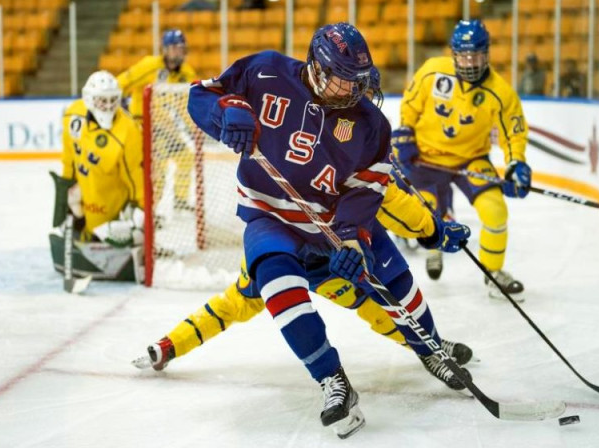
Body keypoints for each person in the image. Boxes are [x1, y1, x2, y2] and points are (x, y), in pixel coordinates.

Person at [186, 23, 473, 438]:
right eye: (343, 79)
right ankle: (331, 379)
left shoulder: (370, 124)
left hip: (334, 220)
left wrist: (353, 237)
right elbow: (202, 93)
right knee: (274, 280)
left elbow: (366, 189)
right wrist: (225, 110)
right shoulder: (265, 70)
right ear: (317, 68)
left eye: (359, 80)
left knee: (394, 281)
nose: (354, 89)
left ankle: (430, 347)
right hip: (272, 215)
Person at [131, 181, 475, 372]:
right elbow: (224, 309)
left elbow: (386, 195)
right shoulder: (261, 258)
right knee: (367, 303)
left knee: (375, 302)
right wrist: (170, 345)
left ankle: (428, 345)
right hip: (304, 263)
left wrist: (433, 229)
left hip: (337, 249)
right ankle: (426, 346)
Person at [392, 19, 531, 300]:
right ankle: (434, 250)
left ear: (487, 54)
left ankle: (493, 272)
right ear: (453, 54)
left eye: (476, 55)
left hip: (471, 160)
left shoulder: (500, 92)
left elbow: (513, 132)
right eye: (463, 55)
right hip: (425, 159)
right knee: (428, 215)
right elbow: (410, 104)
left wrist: (516, 163)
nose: (469, 62)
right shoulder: (433, 72)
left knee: (495, 211)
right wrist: (405, 130)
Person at [48, 70, 145, 281]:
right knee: (77, 232)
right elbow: (69, 157)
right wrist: (67, 188)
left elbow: (136, 176)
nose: (109, 106)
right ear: (90, 99)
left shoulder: (129, 130)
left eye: (113, 100)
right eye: (103, 101)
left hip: (110, 203)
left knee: (106, 239)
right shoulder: (72, 116)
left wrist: (141, 206)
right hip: (82, 194)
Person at [116, 29, 198, 211]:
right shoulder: (150, 66)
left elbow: (187, 103)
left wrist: (194, 126)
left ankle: (180, 199)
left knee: (185, 156)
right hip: (143, 126)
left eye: (180, 48)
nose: (177, 52)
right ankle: (148, 210)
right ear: (165, 49)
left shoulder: (187, 73)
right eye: (173, 48)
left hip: (166, 128)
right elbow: (122, 81)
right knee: (157, 168)